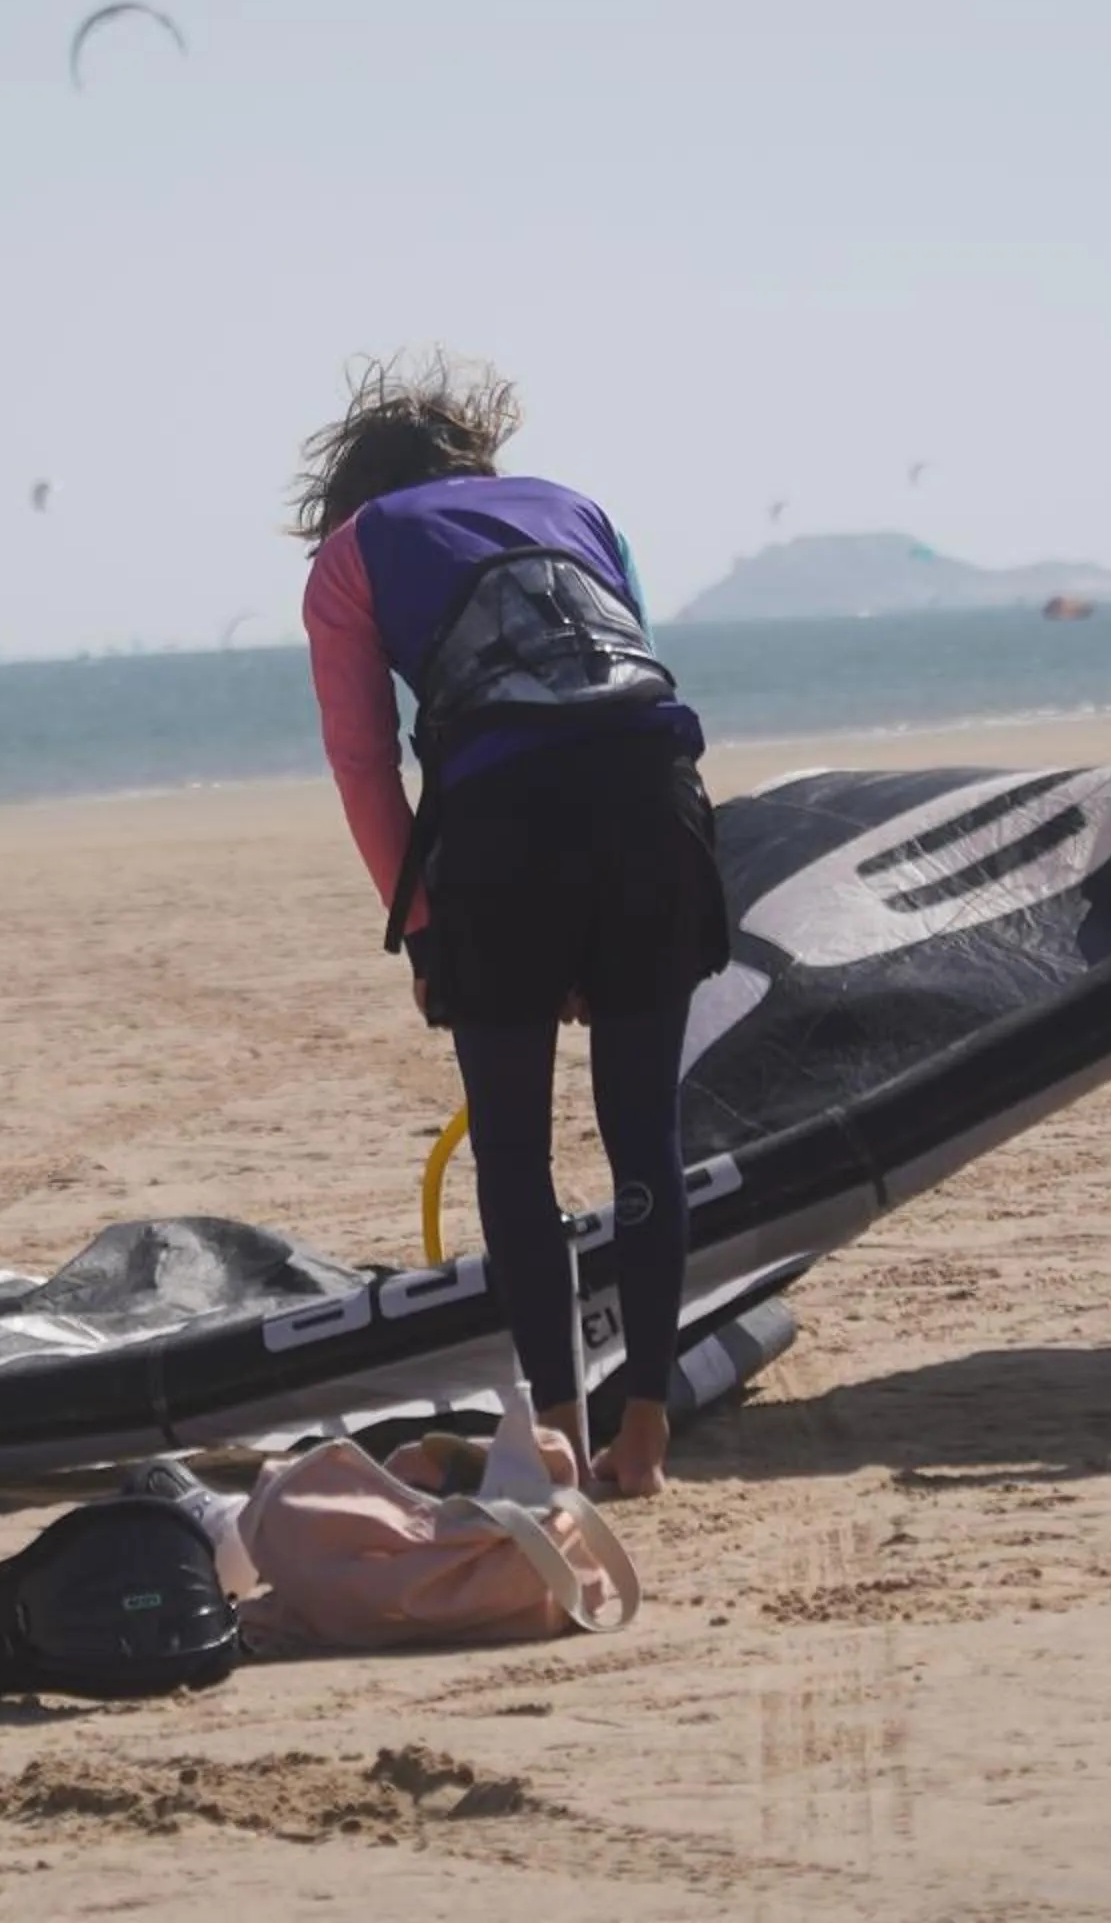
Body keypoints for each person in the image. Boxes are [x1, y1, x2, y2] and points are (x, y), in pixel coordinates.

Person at [292, 352, 729, 1494]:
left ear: (353, 489)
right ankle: (645, 1435)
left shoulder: (354, 552)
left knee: (517, 1157)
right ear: (475, 460)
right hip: (657, 804)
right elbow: (612, 678)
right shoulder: (574, 507)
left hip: (504, 835)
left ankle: (556, 1436)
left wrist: (429, 930)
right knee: (645, 1135)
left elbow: (360, 758)